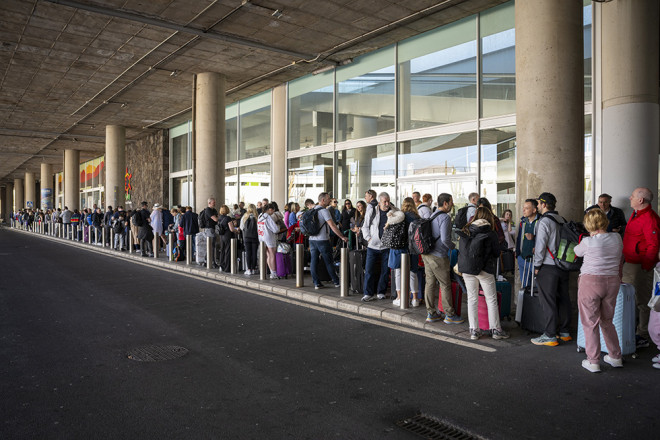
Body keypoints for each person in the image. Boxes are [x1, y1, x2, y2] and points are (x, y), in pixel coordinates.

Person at [574, 209, 624, 373]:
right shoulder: (617, 238)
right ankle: (615, 356)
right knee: (607, 321)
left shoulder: (588, 241)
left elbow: (576, 252)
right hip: (612, 282)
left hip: (590, 281)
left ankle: (593, 361)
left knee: (590, 322)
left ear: (589, 224)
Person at [457, 207, 510, 340]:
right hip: (485, 269)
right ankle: (496, 330)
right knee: (491, 299)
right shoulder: (490, 233)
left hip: (467, 269)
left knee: (472, 298)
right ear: (489, 217)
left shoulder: (466, 230)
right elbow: (497, 253)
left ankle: (474, 330)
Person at [531, 192, 571, 347]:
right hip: (563, 266)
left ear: (544, 204)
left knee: (548, 301)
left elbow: (540, 246)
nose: (537, 206)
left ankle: (550, 335)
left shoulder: (544, 221)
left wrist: (537, 266)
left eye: (538, 204)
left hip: (548, 266)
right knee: (564, 299)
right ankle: (565, 332)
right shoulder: (562, 220)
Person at [622, 187, 660, 348]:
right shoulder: (637, 214)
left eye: (632, 196)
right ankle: (632, 331)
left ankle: (643, 335)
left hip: (639, 266)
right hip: (630, 264)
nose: (630, 198)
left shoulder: (649, 218)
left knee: (642, 302)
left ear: (641, 200)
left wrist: (646, 267)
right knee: (629, 299)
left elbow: (653, 245)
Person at [421, 193, 464, 323]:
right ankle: (450, 315)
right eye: (451, 202)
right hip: (438, 256)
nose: (452, 204)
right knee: (445, 284)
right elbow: (445, 239)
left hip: (427, 254)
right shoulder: (445, 217)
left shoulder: (433, 214)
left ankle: (431, 313)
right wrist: (453, 247)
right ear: (445, 203)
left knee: (430, 283)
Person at [309, 192, 348, 289]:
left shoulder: (312, 209)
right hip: (322, 240)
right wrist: (342, 236)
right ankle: (336, 281)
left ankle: (316, 283)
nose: (330, 201)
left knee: (314, 261)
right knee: (329, 261)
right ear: (323, 200)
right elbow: (332, 226)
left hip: (312, 239)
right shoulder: (324, 211)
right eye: (328, 199)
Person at [361, 192, 394, 301]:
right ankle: (368, 293)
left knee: (385, 271)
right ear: (379, 202)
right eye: (385, 201)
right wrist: (368, 239)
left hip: (386, 247)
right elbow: (365, 226)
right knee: (369, 270)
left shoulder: (393, 211)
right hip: (372, 246)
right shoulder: (372, 211)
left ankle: (381, 292)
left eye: (388, 201)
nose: (387, 203)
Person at [388, 197, 420, 307]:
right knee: (413, 273)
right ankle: (415, 299)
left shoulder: (400, 216)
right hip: (413, 248)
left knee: (398, 272)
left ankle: (399, 297)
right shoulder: (417, 217)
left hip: (400, 247)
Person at [515, 199, 540, 287]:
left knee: (538, 288)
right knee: (525, 286)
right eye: (523, 208)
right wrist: (518, 254)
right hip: (523, 258)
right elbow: (519, 239)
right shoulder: (523, 222)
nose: (523, 210)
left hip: (535, 261)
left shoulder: (541, 222)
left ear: (534, 210)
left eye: (527, 208)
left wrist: (534, 237)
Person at [258, 203, 282, 279]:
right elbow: (276, 229)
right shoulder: (268, 217)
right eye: (273, 211)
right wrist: (278, 226)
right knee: (272, 255)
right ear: (270, 209)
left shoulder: (260, 216)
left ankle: (269, 271)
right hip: (269, 237)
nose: (273, 213)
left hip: (261, 236)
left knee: (268, 255)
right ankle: (273, 273)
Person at [217, 205, 238, 272]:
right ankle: (227, 267)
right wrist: (237, 230)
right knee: (228, 251)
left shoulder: (219, 218)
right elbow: (231, 229)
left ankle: (221, 266)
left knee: (222, 251)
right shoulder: (228, 218)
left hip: (221, 236)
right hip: (227, 236)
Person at [200, 198, 220, 267]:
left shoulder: (214, 210)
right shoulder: (208, 210)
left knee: (211, 246)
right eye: (213, 202)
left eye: (214, 202)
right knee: (211, 246)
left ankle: (206, 261)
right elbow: (216, 219)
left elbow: (217, 218)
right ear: (209, 203)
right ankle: (212, 262)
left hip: (213, 229)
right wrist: (218, 218)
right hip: (209, 229)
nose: (214, 204)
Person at [240, 204, 259, 275]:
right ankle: (253, 269)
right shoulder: (257, 217)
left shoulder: (245, 216)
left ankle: (248, 269)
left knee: (248, 253)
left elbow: (241, 227)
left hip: (246, 237)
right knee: (254, 253)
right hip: (255, 237)